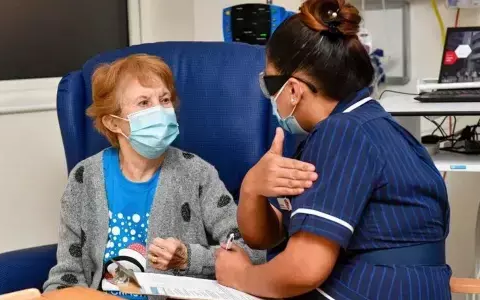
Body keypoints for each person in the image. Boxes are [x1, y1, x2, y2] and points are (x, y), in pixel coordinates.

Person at [214, 0, 451, 299]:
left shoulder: (344, 133)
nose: (270, 97)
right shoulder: (363, 127)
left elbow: (304, 268)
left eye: (269, 83)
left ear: (293, 89)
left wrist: (241, 276)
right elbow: (268, 235)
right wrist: (252, 187)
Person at [43, 54, 265, 298]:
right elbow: (66, 276)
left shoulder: (197, 173)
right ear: (113, 123)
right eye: (144, 103)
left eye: (165, 99)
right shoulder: (84, 178)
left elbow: (251, 252)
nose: (159, 110)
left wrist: (188, 258)